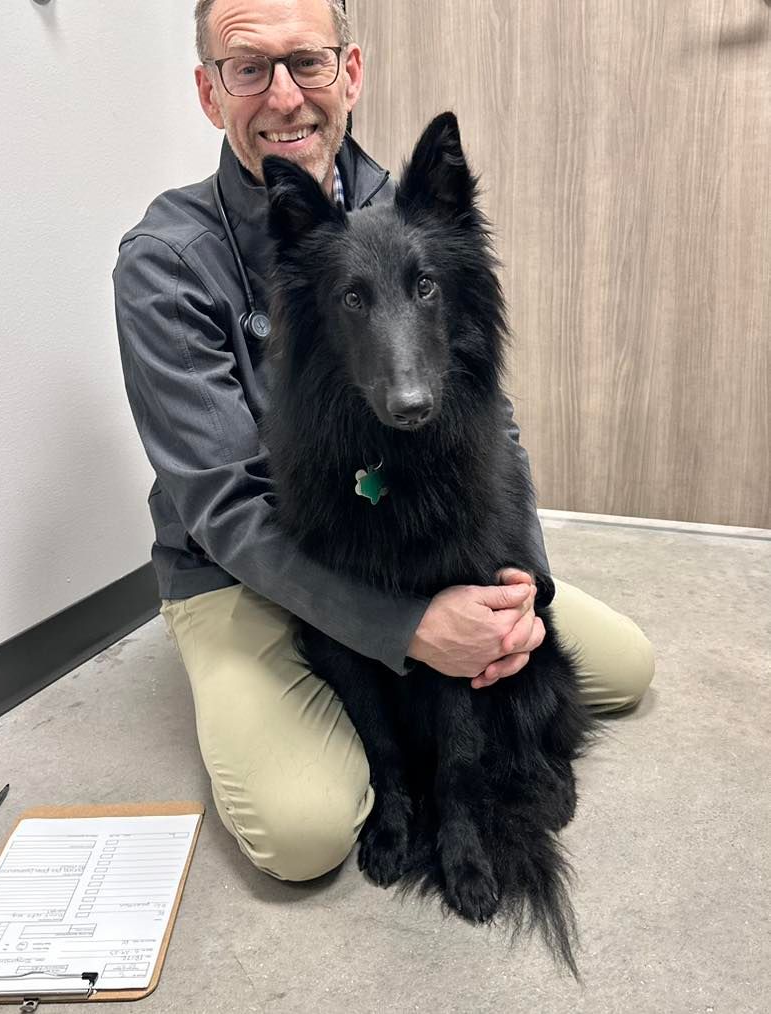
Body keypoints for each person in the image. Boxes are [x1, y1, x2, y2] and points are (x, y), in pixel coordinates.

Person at [113, 0, 654, 883]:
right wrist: (406, 629)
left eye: (308, 63)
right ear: (211, 94)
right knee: (306, 831)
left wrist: (522, 578)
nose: (284, 96)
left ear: (350, 73)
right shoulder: (167, 261)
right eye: (249, 68)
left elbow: (488, 417)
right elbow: (225, 508)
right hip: (244, 564)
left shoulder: (406, 215)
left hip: (409, 532)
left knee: (622, 668)